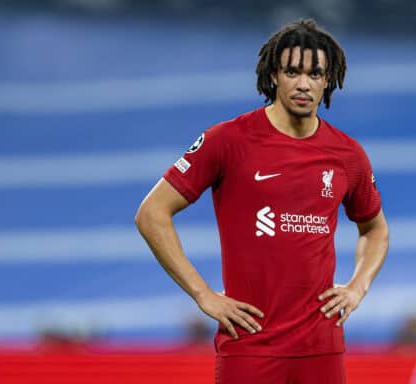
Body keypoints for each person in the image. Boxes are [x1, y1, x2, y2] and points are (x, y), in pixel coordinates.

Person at [135, 19, 389, 384]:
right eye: (292, 71)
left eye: (315, 74)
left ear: (328, 80)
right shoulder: (228, 140)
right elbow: (151, 214)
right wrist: (202, 294)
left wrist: (357, 286)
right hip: (249, 343)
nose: (304, 84)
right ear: (274, 74)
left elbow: (375, 229)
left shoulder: (348, 155)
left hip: (321, 346)